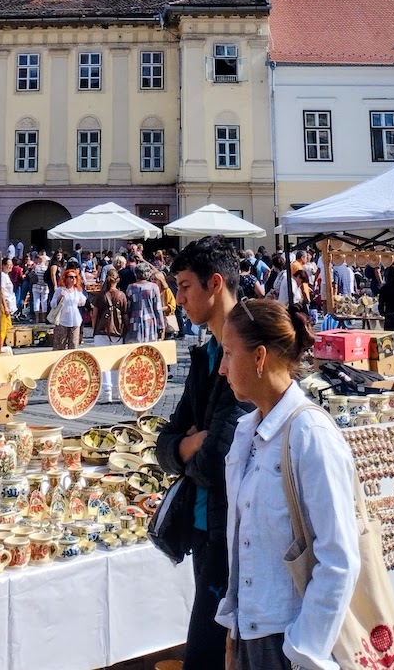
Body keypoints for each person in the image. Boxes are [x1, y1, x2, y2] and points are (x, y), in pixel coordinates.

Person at [215, 297, 360, 670]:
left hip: (288, 640)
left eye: (230, 354)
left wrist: (302, 650)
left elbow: (339, 558)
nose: (222, 367)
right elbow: (244, 545)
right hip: (254, 632)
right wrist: (234, 627)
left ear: (259, 358)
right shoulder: (250, 431)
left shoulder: (310, 435)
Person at [155, 238, 249, 670]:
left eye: (186, 286)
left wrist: (190, 447)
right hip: (202, 525)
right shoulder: (206, 355)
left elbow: (217, 463)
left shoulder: (248, 354)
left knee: (211, 654)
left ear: (215, 284)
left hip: (233, 529)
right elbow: (165, 444)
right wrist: (190, 441)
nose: (180, 298)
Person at [92, 267, 128, 403]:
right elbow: (125, 315)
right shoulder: (122, 295)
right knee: (116, 362)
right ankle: (117, 390)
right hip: (117, 332)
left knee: (103, 361)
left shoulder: (100, 295)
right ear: (117, 280)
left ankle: (106, 392)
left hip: (101, 331)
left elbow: (94, 315)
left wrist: (95, 329)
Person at [125, 261, 165, 343]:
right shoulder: (154, 287)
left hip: (134, 323)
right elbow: (157, 309)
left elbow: (128, 308)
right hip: (150, 323)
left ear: (136, 274)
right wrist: (161, 326)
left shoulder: (131, 288)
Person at [49, 267, 86, 349]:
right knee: (59, 344)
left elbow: (83, 300)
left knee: (74, 344)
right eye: (71, 277)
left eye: (75, 277)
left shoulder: (77, 291)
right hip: (62, 320)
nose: (74, 279)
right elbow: (52, 304)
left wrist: (81, 301)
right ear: (66, 278)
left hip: (75, 320)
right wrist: (59, 297)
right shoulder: (60, 290)